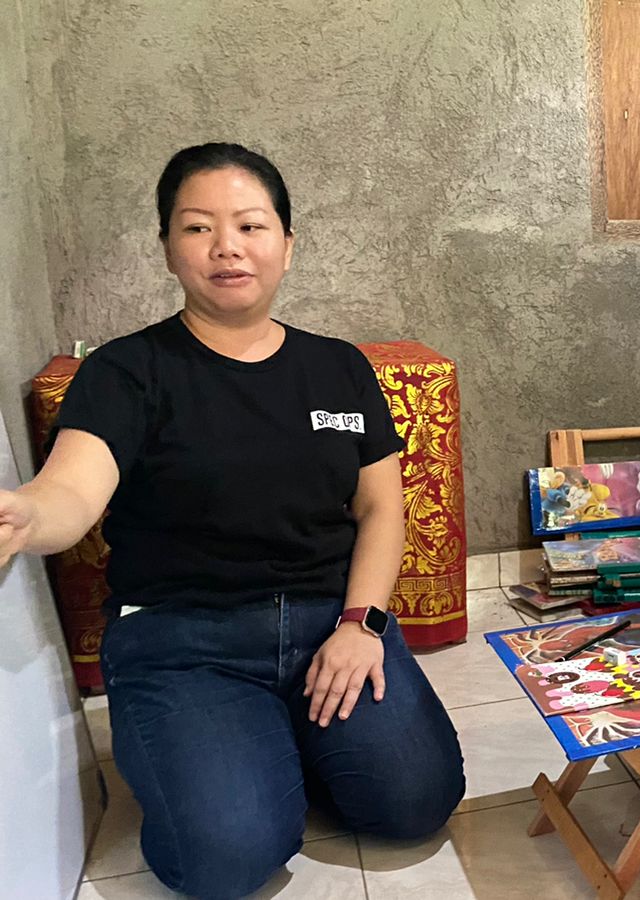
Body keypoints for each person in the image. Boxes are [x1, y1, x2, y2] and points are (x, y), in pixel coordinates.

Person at [0, 143, 464, 898]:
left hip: (328, 621)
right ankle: (238, 749)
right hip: (183, 639)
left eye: (250, 225)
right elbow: (72, 491)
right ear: (167, 247)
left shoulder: (338, 368)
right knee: (225, 861)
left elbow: (381, 507)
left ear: (287, 244)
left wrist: (362, 625)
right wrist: (24, 514)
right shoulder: (126, 372)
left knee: (415, 803)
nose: (227, 247)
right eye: (197, 227)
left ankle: (275, 741)